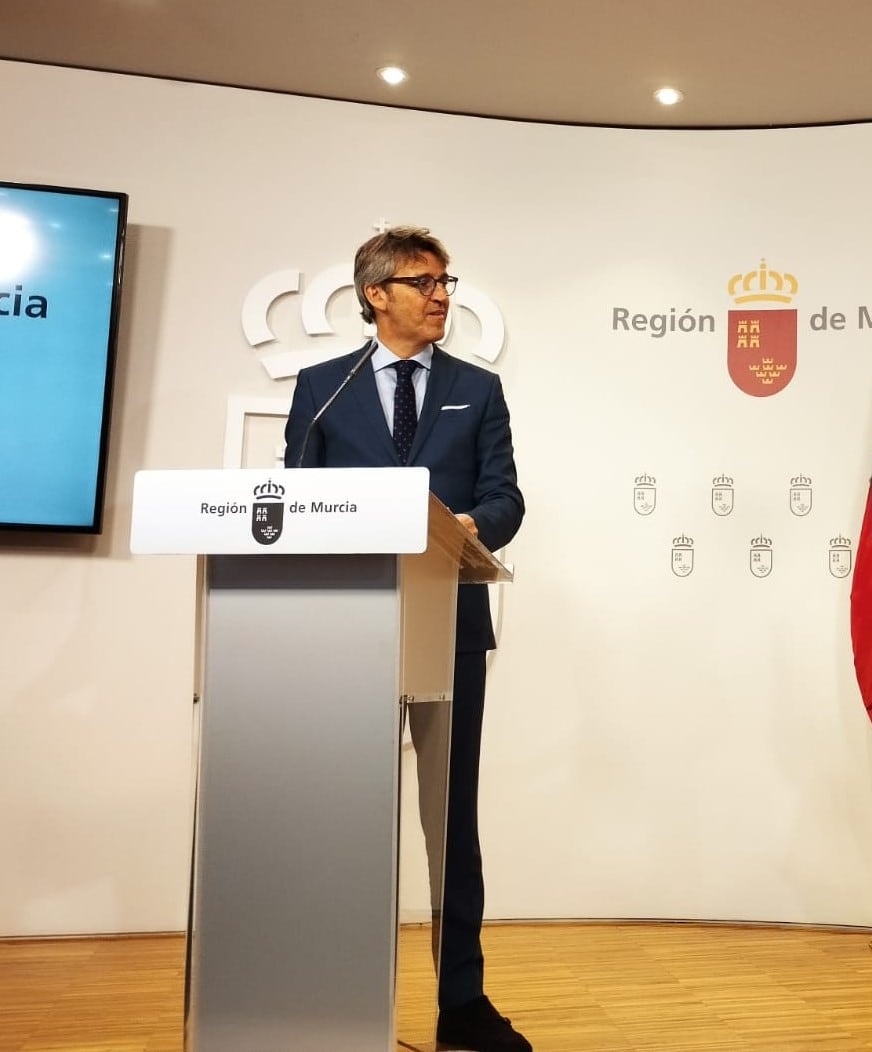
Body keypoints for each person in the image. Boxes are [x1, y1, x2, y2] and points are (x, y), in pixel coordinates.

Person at [285, 226, 528, 1052]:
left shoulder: (476, 387)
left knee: (450, 820)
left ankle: (462, 1002)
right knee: (347, 815)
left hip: (449, 626)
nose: (441, 295)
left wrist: (468, 524)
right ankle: (335, 993)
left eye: (446, 281)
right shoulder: (322, 388)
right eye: (423, 282)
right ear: (375, 295)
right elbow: (294, 503)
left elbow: (506, 497)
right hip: (348, 631)